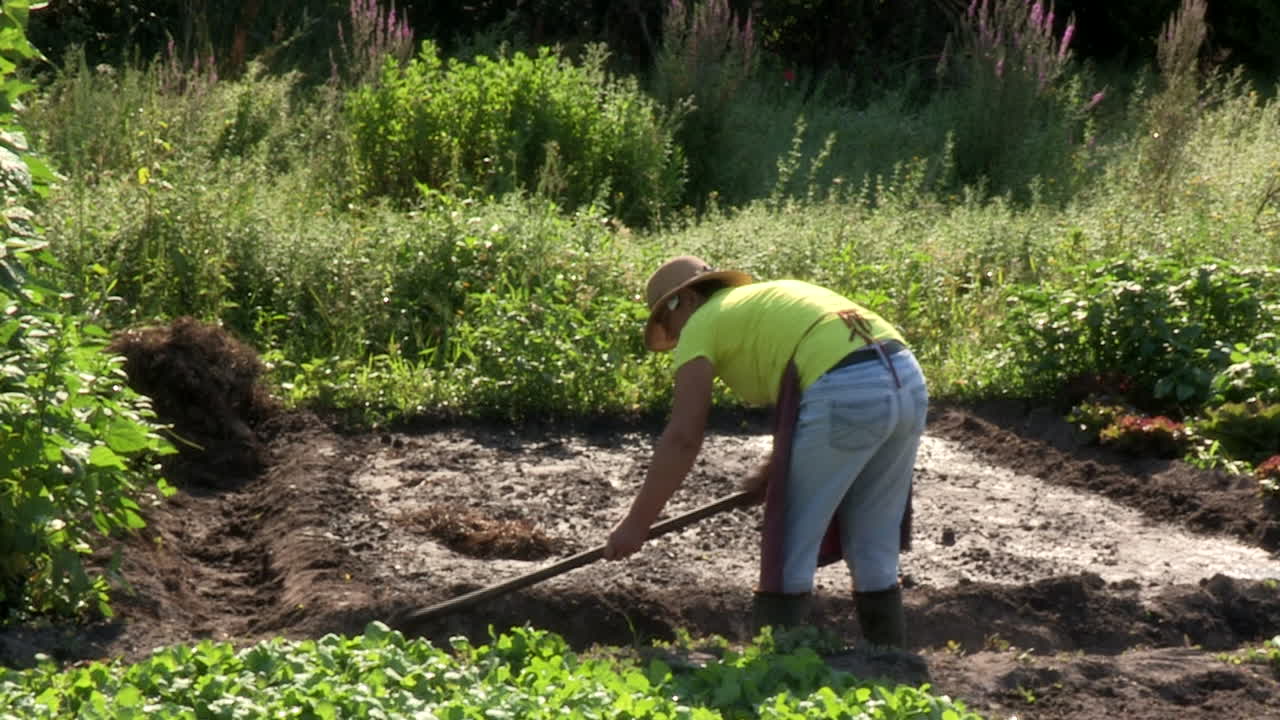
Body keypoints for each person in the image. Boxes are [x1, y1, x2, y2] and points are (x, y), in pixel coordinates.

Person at [601, 255, 928, 649]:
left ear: (683, 301)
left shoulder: (702, 323)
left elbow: (683, 437)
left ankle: (775, 676)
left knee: (789, 545)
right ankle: (893, 663)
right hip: (905, 378)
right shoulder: (764, 301)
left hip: (848, 392)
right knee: (873, 541)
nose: (674, 338)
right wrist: (775, 470)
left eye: (667, 324)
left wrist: (637, 523)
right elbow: (814, 379)